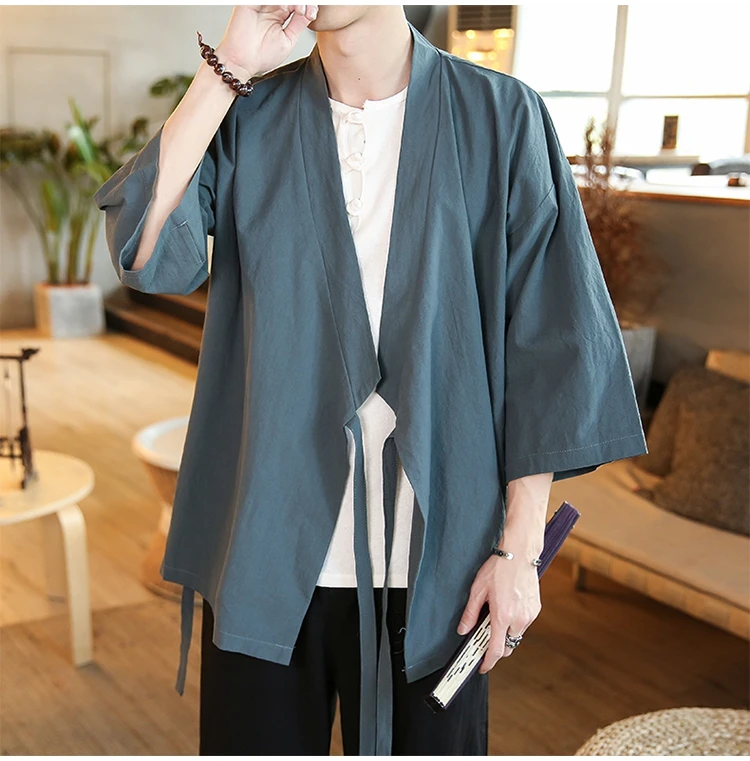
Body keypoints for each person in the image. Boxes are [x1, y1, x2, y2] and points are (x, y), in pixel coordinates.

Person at [95, 5, 647, 756]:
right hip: (264, 550)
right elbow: (145, 251)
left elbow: (553, 344)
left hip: (441, 573)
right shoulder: (249, 116)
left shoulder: (501, 117)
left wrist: (519, 551)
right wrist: (229, 68)